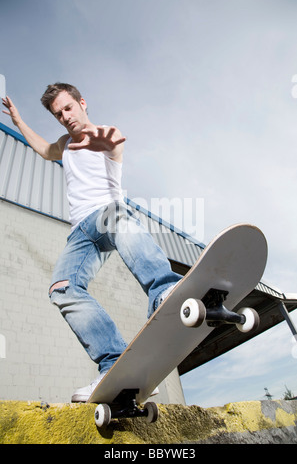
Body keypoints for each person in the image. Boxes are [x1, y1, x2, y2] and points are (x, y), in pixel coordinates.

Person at [2, 83, 182, 402]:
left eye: (68, 108)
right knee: (61, 288)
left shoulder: (105, 134)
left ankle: (164, 289)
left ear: (82, 103)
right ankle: (114, 365)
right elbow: (44, 151)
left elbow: (115, 147)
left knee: (116, 215)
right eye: (58, 114)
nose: (65, 117)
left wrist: (109, 144)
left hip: (108, 213)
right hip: (81, 232)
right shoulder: (63, 144)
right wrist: (18, 121)